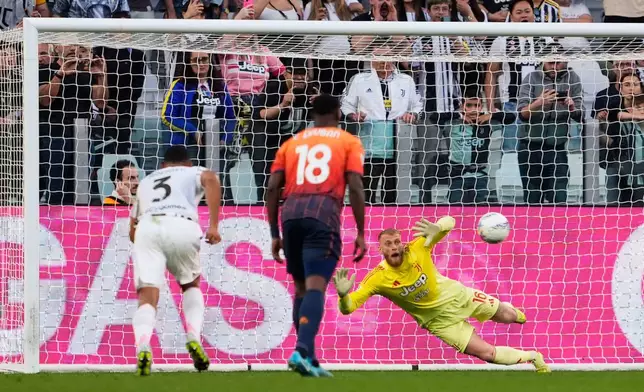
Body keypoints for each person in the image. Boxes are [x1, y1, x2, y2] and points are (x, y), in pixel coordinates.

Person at [332, 217, 551, 373]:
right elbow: (349, 308)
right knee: (486, 355)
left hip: (458, 296)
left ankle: (512, 310)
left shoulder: (419, 246)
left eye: (397, 241)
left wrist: (437, 227)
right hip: (439, 322)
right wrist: (343, 296)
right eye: (388, 244)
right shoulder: (377, 278)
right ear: (380, 250)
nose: (394, 247)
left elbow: (450, 221)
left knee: (510, 317)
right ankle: (533, 357)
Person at [266, 94, 367, 377]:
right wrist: (360, 231)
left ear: (312, 113)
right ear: (338, 112)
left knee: (300, 287)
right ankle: (301, 350)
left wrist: (274, 232)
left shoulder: (292, 142)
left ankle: (307, 355)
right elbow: (356, 186)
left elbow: (273, 187)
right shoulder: (348, 141)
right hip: (323, 211)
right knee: (315, 287)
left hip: (291, 212)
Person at [128, 145, 222, 376]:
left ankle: (143, 346)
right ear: (188, 163)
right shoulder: (192, 172)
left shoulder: (147, 181)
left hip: (148, 227)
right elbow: (210, 178)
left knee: (147, 296)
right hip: (182, 223)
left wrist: (146, 244)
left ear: (163, 166)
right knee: (190, 284)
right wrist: (213, 225)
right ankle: (192, 335)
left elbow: (132, 230)